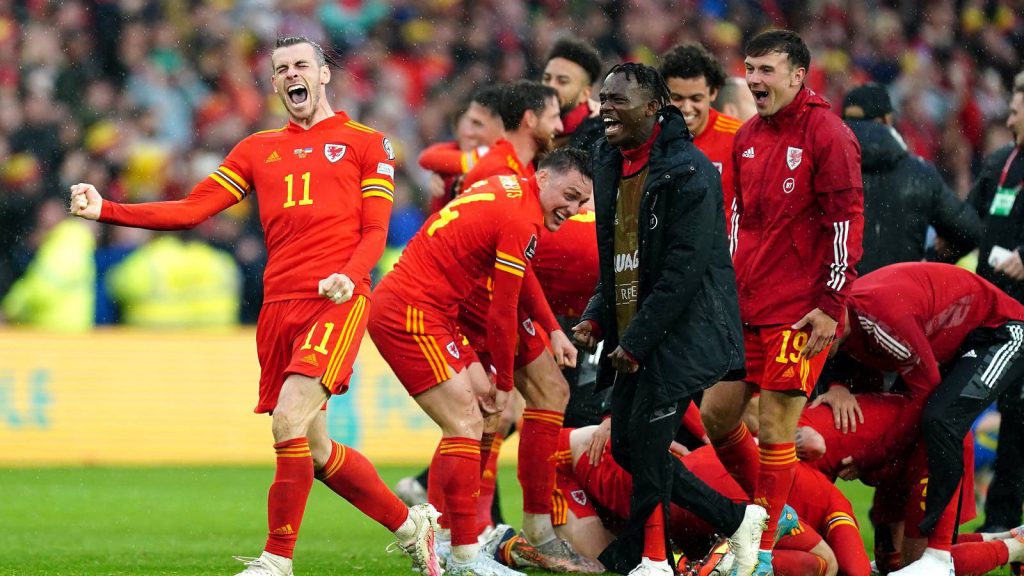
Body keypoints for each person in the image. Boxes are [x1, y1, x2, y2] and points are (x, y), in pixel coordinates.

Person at [68, 36, 441, 576]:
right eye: (281, 68)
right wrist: (108, 209)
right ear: (273, 83)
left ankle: (276, 560)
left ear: (324, 75)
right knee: (314, 449)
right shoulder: (256, 149)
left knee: (287, 421)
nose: (292, 74)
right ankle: (412, 528)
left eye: (302, 65)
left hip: (336, 300)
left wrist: (351, 274)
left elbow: (374, 229)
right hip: (278, 306)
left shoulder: (367, 143)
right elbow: (193, 210)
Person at [573, 62, 767, 576]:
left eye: (618, 100)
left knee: (648, 445)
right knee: (626, 447)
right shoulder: (609, 161)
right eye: (604, 98)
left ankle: (650, 561)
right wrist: (597, 317)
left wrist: (635, 341)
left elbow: (683, 272)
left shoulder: (690, 172)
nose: (605, 108)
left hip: (685, 332)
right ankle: (736, 518)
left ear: (654, 109)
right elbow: (618, 255)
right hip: (638, 331)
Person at [367, 148, 593, 576]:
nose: (574, 209)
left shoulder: (511, 191)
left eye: (583, 201)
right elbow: (502, 313)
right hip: (412, 311)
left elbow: (520, 278)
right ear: (543, 178)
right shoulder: (521, 216)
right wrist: (505, 382)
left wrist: (552, 328)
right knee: (467, 422)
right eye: (570, 196)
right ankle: (462, 556)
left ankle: (447, 543)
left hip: (434, 311)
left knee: (482, 419)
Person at [698, 29, 864, 576]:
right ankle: (775, 513)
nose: (754, 79)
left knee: (774, 429)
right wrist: (725, 291)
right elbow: (737, 222)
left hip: (799, 312)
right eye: (750, 69)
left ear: (798, 76)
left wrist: (831, 305)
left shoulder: (829, 135)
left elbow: (846, 224)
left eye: (766, 70)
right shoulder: (747, 136)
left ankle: (762, 553)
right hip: (746, 307)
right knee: (716, 416)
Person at [826, 262, 1024, 575]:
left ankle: (942, 553)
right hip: (950, 343)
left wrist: (871, 457)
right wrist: (838, 385)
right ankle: (1006, 542)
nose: (810, 343)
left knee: (941, 419)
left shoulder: (882, 321)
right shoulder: (849, 317)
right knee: (900, 561)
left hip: (1000, 331)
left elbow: (926, 399)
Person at [841, 82, 981, 274]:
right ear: (887, 120)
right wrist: (932, 260)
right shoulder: (919, 173)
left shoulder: (823, 169)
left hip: (838, 290)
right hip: (900, 288)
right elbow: (970, 231)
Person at [968, 71, 1024, 536]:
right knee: (993, 414)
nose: (1009, 121)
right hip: (992, 312)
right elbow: (967, 220)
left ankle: (1003, 521)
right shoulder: (1000, 162)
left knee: (1018, 421)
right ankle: (987, 522)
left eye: (1017, 112)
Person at [659, 43, 744, 222]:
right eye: (677, 98)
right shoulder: (650, 138)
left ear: (713, 93)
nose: (686, 108)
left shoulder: (738, 137)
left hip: (721, 239)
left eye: (696, 98)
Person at [541, 35, 605, 152]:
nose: (550, 86)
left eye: (562, 81)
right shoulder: (526, 124)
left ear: (585, 94)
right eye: (547, 78)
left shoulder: (601, 139)